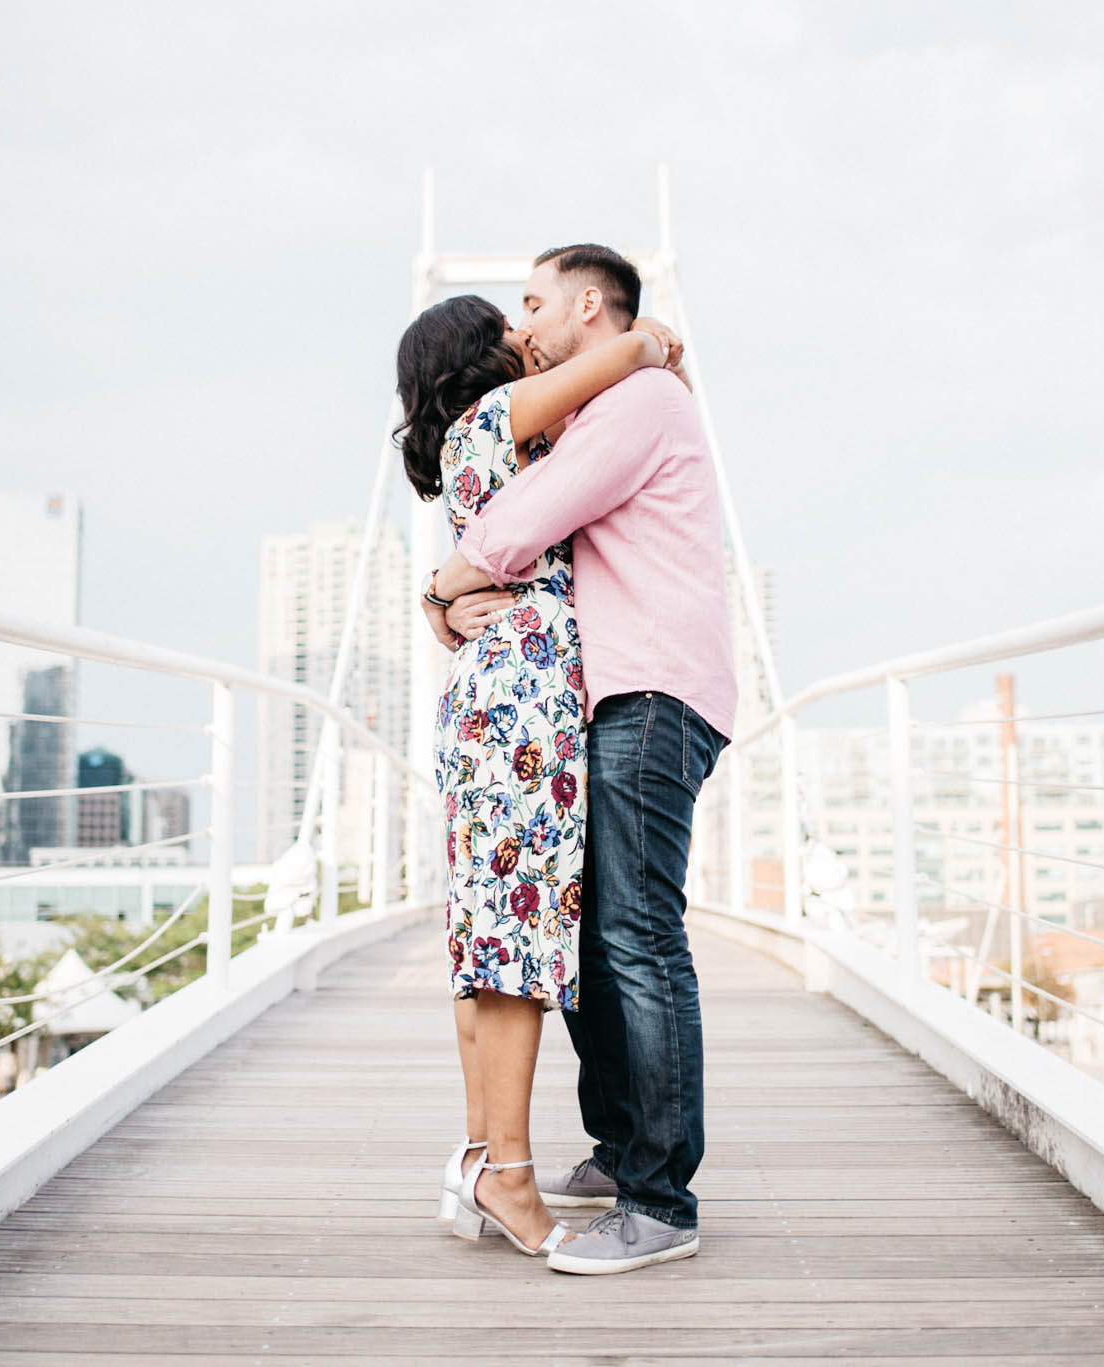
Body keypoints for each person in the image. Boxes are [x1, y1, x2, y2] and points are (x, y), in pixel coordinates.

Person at [426, 244, 737, 1275]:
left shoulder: (637, 401)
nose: (522, 326)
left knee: (636, 936)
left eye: (533, 301)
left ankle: (658, 1198)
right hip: (613, 689)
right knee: (601, 940)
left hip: (650, 688)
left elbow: (521, 520)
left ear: (589, 305)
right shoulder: (601, 403)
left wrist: (439, 587)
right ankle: (619, 1150)